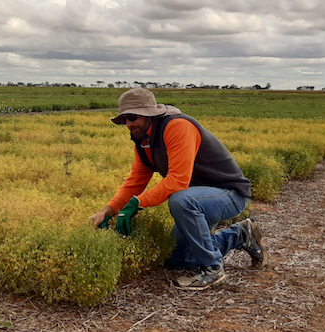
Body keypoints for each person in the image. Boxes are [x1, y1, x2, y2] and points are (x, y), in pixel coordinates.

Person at [89, 88, 265, 290]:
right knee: (176, 259)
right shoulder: (143, 141)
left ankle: (213, 269)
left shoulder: (177, 126)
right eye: (124, 119)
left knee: (180, 199)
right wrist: (107, 211)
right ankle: (241, 235)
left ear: (148, 114)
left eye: (132, 117)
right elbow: (135, 181)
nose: (128, 124)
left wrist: (137, 204)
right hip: (199, 199)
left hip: (228, 194)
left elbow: (178, 180)